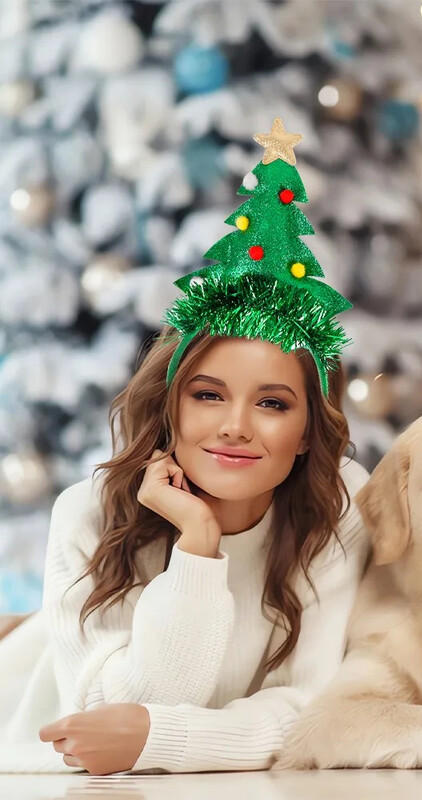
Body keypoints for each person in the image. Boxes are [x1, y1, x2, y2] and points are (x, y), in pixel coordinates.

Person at [0, 120, 369, 774]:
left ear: (310, 430)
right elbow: (114, 714)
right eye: (207, 395)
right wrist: (197, 545)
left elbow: (309, 708)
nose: (235, 426)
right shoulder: (86, 513)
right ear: (170, 406)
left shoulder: (338, 509)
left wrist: (164, 739)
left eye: (272, 404)